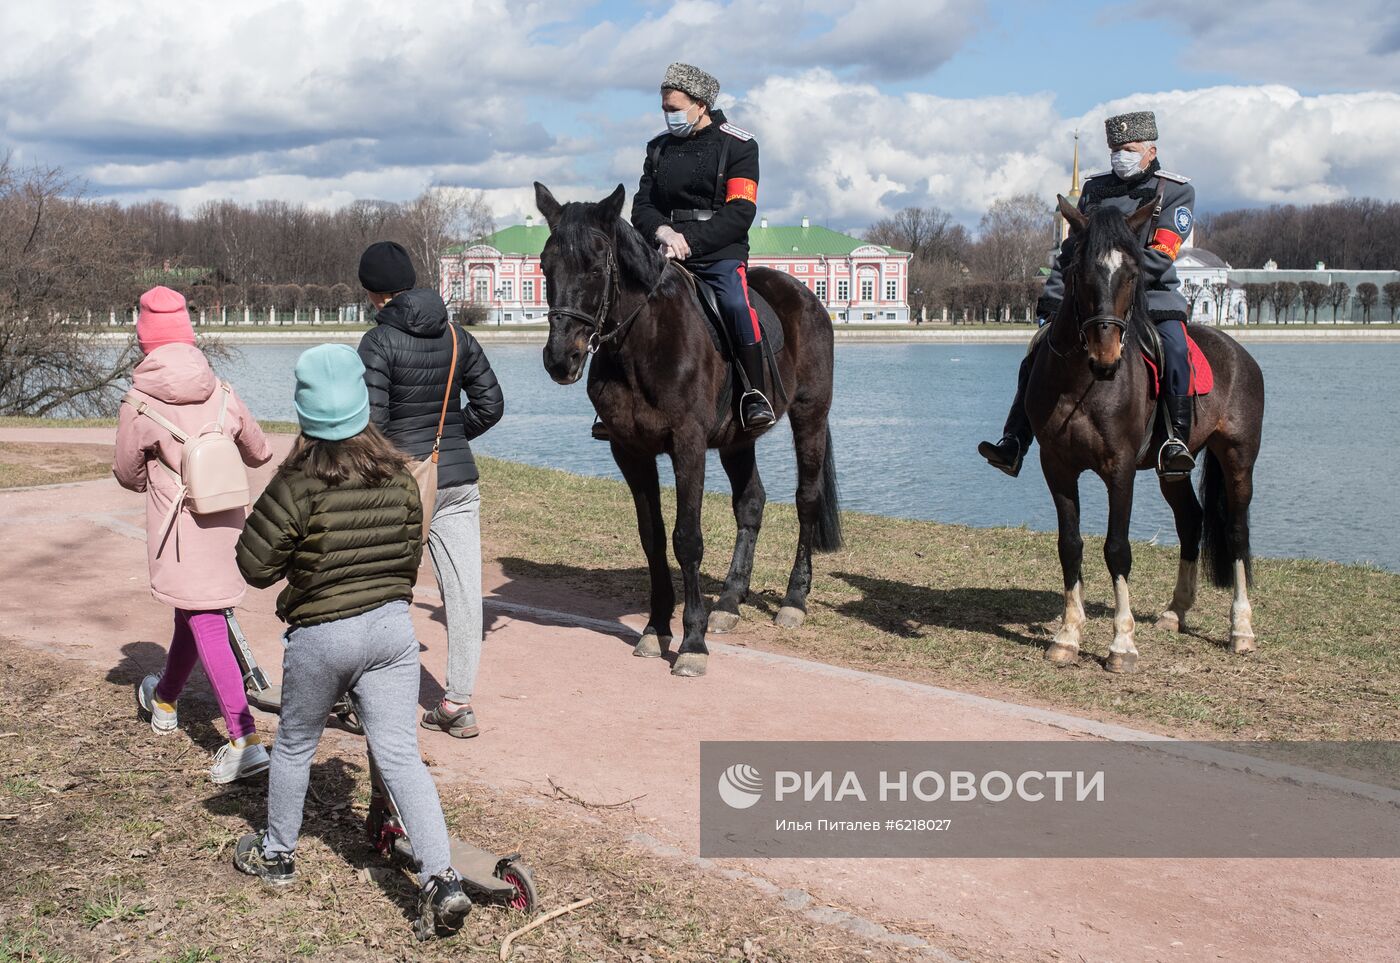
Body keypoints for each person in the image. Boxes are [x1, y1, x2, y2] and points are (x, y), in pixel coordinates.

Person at [231, 344, 471, 938]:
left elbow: (254, 566)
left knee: (294, 745)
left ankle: (278, 853)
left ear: (305, 412)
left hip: (321, 634)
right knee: (399, 754)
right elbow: (409, 548)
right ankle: (441, 877)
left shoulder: (296, 482)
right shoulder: (397, 474)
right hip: (392, 632)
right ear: (364, 406)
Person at [978, 110, 1197, 479]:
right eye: (1114, 148)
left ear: (1150, 150)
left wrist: (1112, 266)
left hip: (1150, 296)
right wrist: (1052, 299)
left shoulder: (1174, 190)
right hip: (1093, 299)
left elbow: (1161, 256)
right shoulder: (1095, 189)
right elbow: (1071, 253)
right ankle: (1014, 440)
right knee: (1039, 349)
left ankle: (1175, 440)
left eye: (1127, 148)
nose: (1119, 155)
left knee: (1175, 349)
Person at [114, 286, 274, 784]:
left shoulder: (139, 403)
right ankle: (164, 698)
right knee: (196, 610)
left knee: (204, 617)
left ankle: (243, 737)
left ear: (145, 341)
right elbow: (259, 451)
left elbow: (127, 473)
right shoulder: (222, 390)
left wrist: (159, 477)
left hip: (178, 530)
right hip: (226, 523)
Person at [355, 241, 503, 739]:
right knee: (463, 594)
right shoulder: (459, 336)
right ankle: (458, 703)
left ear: (375, 294)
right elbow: (491, 404)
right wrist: (451, 440)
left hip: (402, 485)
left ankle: (367, 697)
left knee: (381, 589)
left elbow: (372, 426)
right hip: (458, 478)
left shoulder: (377, 343)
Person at [630, 61, 773, 430]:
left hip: (719, 251)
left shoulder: (740, 145)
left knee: (735, 304)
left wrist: (688, 242)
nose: (668, 117)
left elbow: (740, 212)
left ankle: (754, 394)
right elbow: (642, 206)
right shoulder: (657, 149)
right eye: (664, 110)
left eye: (674, 110)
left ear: (701, 105)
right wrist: (663, 233)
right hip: (664, 251)